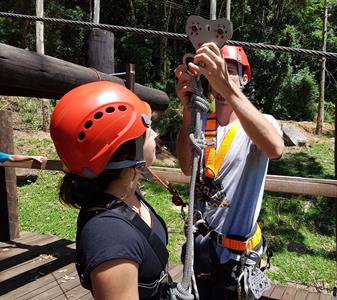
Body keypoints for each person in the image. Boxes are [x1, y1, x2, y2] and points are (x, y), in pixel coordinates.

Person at [175, 43, 284, 299]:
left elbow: (275, 148)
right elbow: (185, 167)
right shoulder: (202, 123)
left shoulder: (260, 123)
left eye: (229, 70)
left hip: (237, 256)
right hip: (202, 249)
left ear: (245, 78)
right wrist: (188, 110)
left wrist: (226, 86)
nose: (221, 73)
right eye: (216, 67)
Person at [50, 81, 170, 300]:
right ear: (126, 150)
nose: (153, 133)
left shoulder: (126, 191)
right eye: (146, 128)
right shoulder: (111, 238)